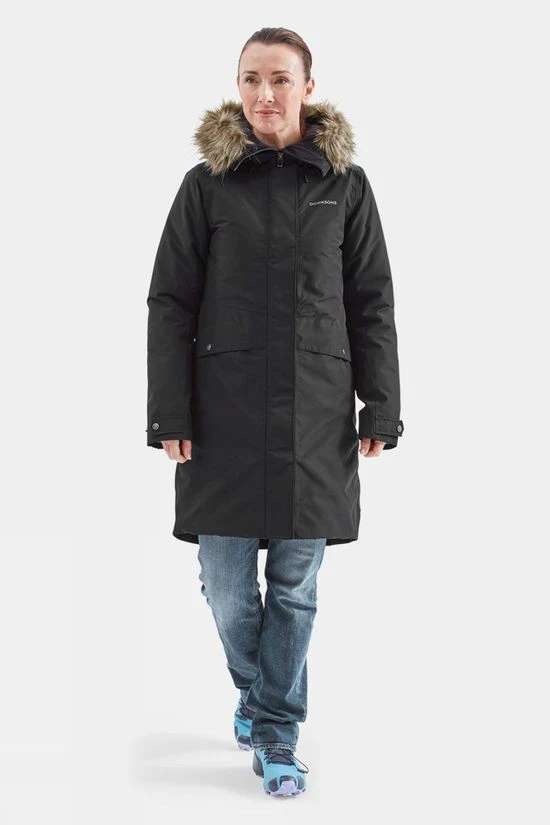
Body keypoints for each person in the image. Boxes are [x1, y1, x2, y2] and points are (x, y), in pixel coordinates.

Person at [146, 27, 404, 797]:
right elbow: (170, 302)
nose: (265, 93)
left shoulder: (347, 185)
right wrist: (169, 413)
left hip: (315, 419)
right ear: (238, 86)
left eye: (280, 79)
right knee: (226, 586)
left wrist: (381, 407)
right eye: (251, 78)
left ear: (308, 88)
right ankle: (263, 697)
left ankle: (275, 733)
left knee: (294, 587)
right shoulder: (206, 185)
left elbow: (372, 301)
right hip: (220, 416)